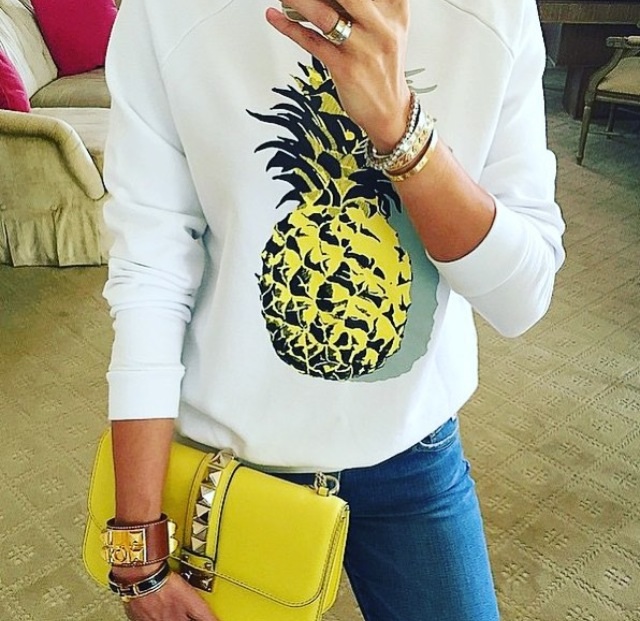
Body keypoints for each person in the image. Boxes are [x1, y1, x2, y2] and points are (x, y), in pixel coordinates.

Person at [101, 0, 565, 620]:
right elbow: (150, 275)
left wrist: (399, 129)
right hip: (230, 467)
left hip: (414, 453)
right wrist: (136, 544)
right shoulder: (165, 12)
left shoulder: (495, 12)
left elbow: (521, 299)